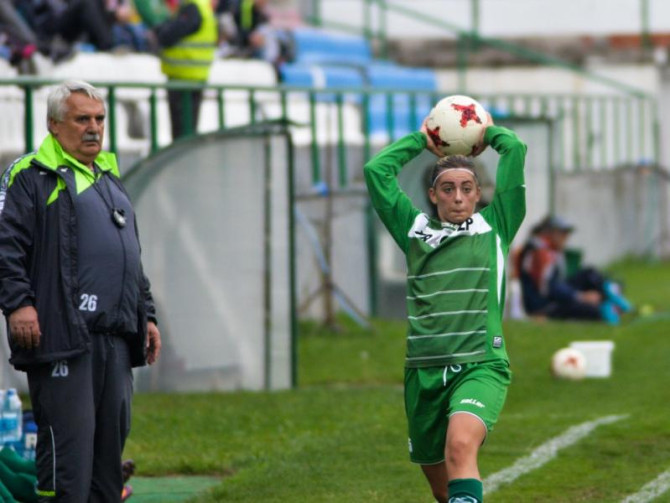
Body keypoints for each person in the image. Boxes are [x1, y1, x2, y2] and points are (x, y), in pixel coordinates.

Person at [0, 80, 161, 502]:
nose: (93, 128)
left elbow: (130, 257)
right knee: (68, 462)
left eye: (99, 119)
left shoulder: (108, 176)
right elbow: (5, 244)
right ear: (54, 124)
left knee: (107, 464)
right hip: (63, 338)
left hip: (116, 339)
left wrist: (146, 315)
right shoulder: (30, 175)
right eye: (81, 119)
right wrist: (18, 304)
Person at [364, 114, 527, 503]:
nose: (457, 197)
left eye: (466, 188)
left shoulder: (497, 225)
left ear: (478, 193)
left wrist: (486, 133)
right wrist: (421, 140)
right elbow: (376, 171)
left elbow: (514, 149)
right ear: (433, 194)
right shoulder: (413, 230)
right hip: (423, 370)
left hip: (480, 364)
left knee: (460, 447)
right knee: (442, 489)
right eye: (448, 188)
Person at [517, 214, 632, 324]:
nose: (566, 238)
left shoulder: (545, 249)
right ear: (551, 233)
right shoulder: (542, 252)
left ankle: (611, 296)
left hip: (551, 297)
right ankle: (612, 303)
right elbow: (548, 288)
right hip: (545, 306)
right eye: (563, 233)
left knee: (589, 274)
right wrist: (580, 296)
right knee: (593, 310)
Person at [154, 0, 218, 140]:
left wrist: (160, 30)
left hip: (183, 79)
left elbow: (167, 35)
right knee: (188, 132)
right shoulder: (202, 7)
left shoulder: (192, 7)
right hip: (193, 77)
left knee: (181, 135)